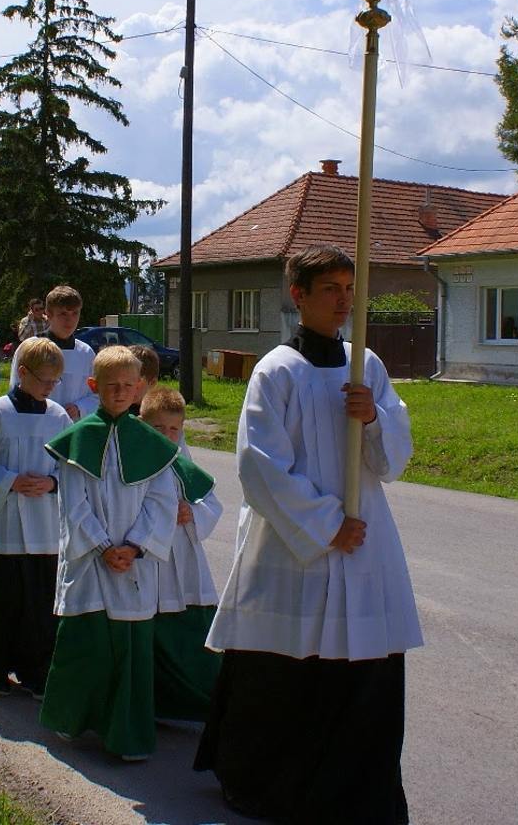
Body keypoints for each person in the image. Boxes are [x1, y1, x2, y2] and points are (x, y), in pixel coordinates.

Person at [195, 246, 421, 823]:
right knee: (285, 669)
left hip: (364, 536)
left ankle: (355, 790)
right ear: (298, 296)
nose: (345, 299)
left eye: (350, 288)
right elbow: (260, 466)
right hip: (294, 546)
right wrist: (326, 526)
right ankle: (268, 783)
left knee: (363, 670)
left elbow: (394, 458)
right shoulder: (276, 371)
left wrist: (373, 417)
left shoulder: (364, 364)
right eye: (331, 289)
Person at [38, 346, 180, 762]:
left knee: (132, 650)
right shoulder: (76, 440)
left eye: (127, 385)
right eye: (111, 385)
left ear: (140, 387)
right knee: (87, 643)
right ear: (93, 386)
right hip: (91, 560)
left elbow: (162, 500)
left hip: (133, 562)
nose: (119, 392)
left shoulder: (154, 444)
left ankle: (127, 735)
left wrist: (134, 546)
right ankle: (73, 718)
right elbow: (73, 503)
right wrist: (103, 546)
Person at [0, 336, 71, 697]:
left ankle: (35, 669)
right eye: (44, 380)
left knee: (40, 604)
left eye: (55, 381)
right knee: (6, 600)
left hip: (45, 526)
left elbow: (70, 470)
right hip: (7, 523)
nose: (50, 387)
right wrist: (10, 481)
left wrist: (52, 482)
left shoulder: (58, 417)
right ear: (22, 373)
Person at [139, 386, 223, 721]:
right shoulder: (135, 460)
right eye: (159, 428)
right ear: (144, 425)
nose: (168, 435)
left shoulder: (182, 461)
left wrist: (193, 514)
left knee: (191, 634)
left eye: (174, 429)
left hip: (184, 558)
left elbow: (211, 503)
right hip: (150, 561)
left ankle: (202, 702)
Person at [7, 284, 97, 421]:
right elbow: (16, 388)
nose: (70, 320)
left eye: (75, 313)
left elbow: (97, 393)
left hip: (73, 426)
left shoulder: (86, 353)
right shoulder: (30, 348)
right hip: (36, 423)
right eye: (63, 314)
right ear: (48, 315)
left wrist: (80, 408)